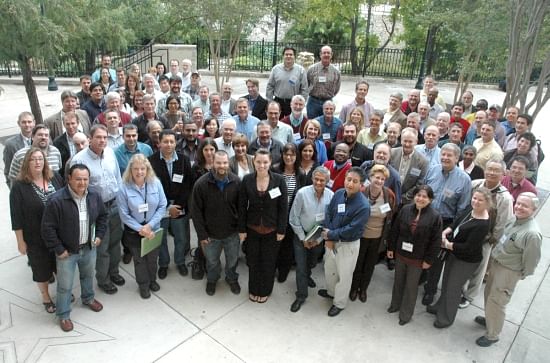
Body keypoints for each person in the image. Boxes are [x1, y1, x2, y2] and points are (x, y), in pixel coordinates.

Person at [41, 164, 108, 332]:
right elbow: (47, 228)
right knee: (64, 286)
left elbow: (102, 217)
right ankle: (63, 315)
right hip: (67, 253)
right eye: (78, 179)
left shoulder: (94, 196)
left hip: (88, 247)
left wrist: (99, 236)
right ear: (69, 179)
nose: (82, 183)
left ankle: (88, 298)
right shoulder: (56, 200)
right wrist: (58, 249)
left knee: (87, 276)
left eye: (85, 179)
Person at [475, 192, 542, 347]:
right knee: (489, 294)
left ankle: (493, 335)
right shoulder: (515, 220)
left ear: (534, 209)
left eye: (525, 206)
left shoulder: (532, 234)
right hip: (498, 264)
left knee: (498, 301)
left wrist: (520, 274)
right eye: (518, 203)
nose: (519, 207)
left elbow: (532, 261)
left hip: (509, 271)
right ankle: (490, 319)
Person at [70, 124, 124, 295]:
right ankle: (103, 279)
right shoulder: (79, 160)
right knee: (102, 247)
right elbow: (76, 189)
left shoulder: (109, 153)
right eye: (98, 137)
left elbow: (117, 178)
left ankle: (114, 272)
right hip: (97, 211)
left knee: (116, 244)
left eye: (105, 137)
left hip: (114, 205)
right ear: (90, 138)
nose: (102, 140)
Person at [427, 189, 492, 328]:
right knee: (446, 283)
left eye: (480, 200)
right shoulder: (471, 209)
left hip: (465, 260)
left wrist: (447, 244)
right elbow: (457, 222)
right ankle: (439, 307)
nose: (476, 202)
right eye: (474, 198)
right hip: (454, 254)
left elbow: (468, 247)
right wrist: (446, 231)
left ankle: (445, 318)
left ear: (487, 203)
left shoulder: (483, 224)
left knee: (453, 288)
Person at [10, 148, 64, 314]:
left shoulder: (54, 177)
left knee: (61, 267)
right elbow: (16, 217)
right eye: (33, 159)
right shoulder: (19, 187)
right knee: (41, 270)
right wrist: (20, 241)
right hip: (35, 237)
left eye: (41, 158)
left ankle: (63, 293)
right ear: (27, 163)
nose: (38, 162)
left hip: (58, 235)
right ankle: (46, 297)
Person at [318, 167, 371, 317]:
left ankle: (339, 303)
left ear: (361, 185)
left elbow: (352, 229)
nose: (350, 184)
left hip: (348, 245)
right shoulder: (339, 194)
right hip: (331, 239)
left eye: (355, 181)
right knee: (329, 269)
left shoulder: (363, 206)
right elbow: (329, 213)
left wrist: (331, 235)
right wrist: (329, 236)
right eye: (348, 179)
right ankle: (331, 292)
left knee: (344, 275)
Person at [238, 149, 288, 303]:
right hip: (252, 228)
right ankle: (253, 289)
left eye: (265, 162)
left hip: (272, 230)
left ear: (270, 162)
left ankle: (265, 290)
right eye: (258, 161)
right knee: (253, 261)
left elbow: (283, 207)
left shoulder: (279, 180)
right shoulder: (247, 180)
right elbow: (241, 206)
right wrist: (241, 229)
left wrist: (281, 229)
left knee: (268, 262)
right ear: (253, 162)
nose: (262, 165)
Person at [387, 185, 442, 325]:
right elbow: (395, 230)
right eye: (418, 195)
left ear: (430, 199)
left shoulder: (435, 217)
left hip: (418, 258)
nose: (420, 198)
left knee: (411, 287)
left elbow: (436, 242)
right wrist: (391, 248)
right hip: (400, 253)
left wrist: (429, 260)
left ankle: (405, 315)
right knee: (398, 281)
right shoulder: (405, 210)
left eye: (424, 196)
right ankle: (395, 305)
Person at [191, 151, 242, 296]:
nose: (222, 166)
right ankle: (212, 280)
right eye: (218, 162)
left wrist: (241, 230)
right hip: (210, 235)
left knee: (232, 260)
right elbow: (196, 213)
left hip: (232, 234)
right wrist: (202, 235)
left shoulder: (236, 182)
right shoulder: (201, 184)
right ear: (213, 162)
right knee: (212, 262)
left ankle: (231, 278)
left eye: (225, 163)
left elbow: (242, 208)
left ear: (229, 163)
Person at [117, 154, 167, 299]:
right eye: (136, 169)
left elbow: (163, 205)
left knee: (153, 258)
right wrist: (141, 229)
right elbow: (124, 215)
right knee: (139, 260)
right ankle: (143, 285)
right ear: (130, 170)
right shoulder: (123, 188)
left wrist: (149, 226)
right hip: (134, 232)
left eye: (142, 169)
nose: (139, 172)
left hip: (153, 230)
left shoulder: (155, 183)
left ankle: (152, 280)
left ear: (147, 169)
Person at [289, 166, 334, 312]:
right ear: (312, 179)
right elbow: (293, 218)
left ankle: (308, 276)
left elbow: (330, 220)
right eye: (316, 179)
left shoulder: (331, 196)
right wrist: (303, 239)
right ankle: (301, 295)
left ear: (327, 181)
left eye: (322, 180)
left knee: (312, 263)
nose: (319, 182)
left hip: (318, 238)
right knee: (301, 267)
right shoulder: (302, 193)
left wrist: (318, 240)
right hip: (301, 237)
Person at [149, 130, 193, 280]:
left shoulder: (183, 160)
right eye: (165, 141)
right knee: (161, 239)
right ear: (159, 143)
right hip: (160, 208)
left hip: (180, 207)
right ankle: (164, 264)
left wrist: (178, 205)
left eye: (171, 141)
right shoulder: (151, 161)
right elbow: (151, 187)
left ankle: (180, 261)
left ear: (176, 143)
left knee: (181, 237)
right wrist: (168, 206)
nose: (168, 144)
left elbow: (188, 184)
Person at [350, 165, 396, 303]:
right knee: (358, 264)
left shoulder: (389, 195)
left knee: (370, 265)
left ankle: (363, 289)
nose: (379, 181)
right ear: (370, 178)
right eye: (377, 177)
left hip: (377, 238)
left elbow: (390, 217)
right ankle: (353, 288)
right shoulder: (361, 192)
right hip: (360, 236)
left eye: (383, 179)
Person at [272, 143, 307, 282]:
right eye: (286, 154)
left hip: (292, 216)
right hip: (275, 214)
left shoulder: (301, 173)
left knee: (287, 246)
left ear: (296, 156)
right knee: (274, 245)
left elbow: (302, 195)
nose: (288, 157)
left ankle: (283, 272)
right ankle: (271, 269)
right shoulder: (274, 169)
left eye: (292, 154)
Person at [266, 46, 308, 118]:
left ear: (294, 56)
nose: (288, 56)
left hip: (293, 103)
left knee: (292, 125)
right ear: (283, 56)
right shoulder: (276, 69)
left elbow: (304, 88)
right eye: (286, 54)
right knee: (277, 124)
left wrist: (301, 103)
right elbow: (270, 86)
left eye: (291, 54)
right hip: (278, 102)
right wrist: (270, 102)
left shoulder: (300, 70)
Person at [306, 45, 341, 119]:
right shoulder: (312, 69)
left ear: (331, 55)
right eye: (324, 53)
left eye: (328, 53)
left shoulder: (336, 72)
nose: (326, 55)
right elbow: (306, 84)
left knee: (326, 125)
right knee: (312, 125)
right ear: (320, 54)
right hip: (313, 102)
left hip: (328, 102)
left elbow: (337, 88)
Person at [4, 112, 35, 188]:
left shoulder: (42, 140)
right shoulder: (10, 144)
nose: (27, 125)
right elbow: (8, 170)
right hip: (21, 186)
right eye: (24, 122)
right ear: (18, 123)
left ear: (34, 123)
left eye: (29, 122)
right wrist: (13, 189)